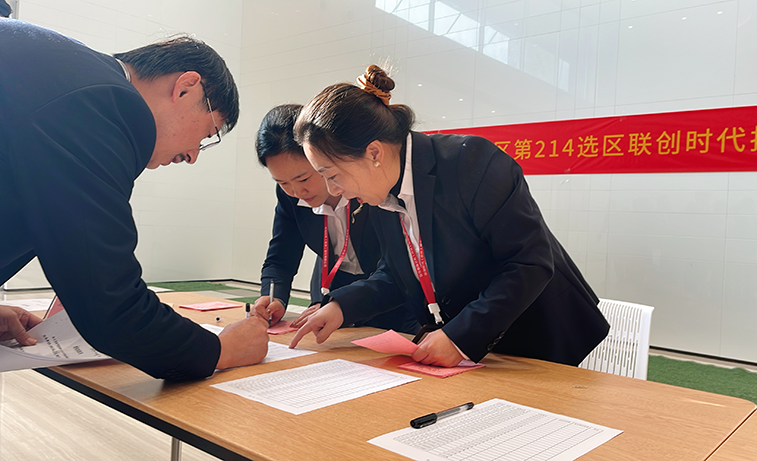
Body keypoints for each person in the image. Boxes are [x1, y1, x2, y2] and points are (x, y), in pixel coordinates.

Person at [0, 20, 269, 380]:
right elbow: (110, 303)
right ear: (186, 88)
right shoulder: (103, 104)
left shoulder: (68, 72)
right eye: (207, 134)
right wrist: (221, 350)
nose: (193, 156)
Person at [289, 65, 609, 367]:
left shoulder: (472, 162)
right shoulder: (380, 192)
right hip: (472, 347)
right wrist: (342, 306)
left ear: (374, 153)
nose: (335, 190)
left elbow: (529, 263)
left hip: (536, 334)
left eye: (332, 175)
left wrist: (459, 337)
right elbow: (398, 274)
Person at [251, 104, 418, 334]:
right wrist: (273, 298)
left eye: (303, 179)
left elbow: (395, 268)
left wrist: (344, 305)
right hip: (329, 295)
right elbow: (281, 257)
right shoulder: (290, 196)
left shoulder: (369, 188)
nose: (296, 192)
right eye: (282, 182)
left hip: (390, 299)